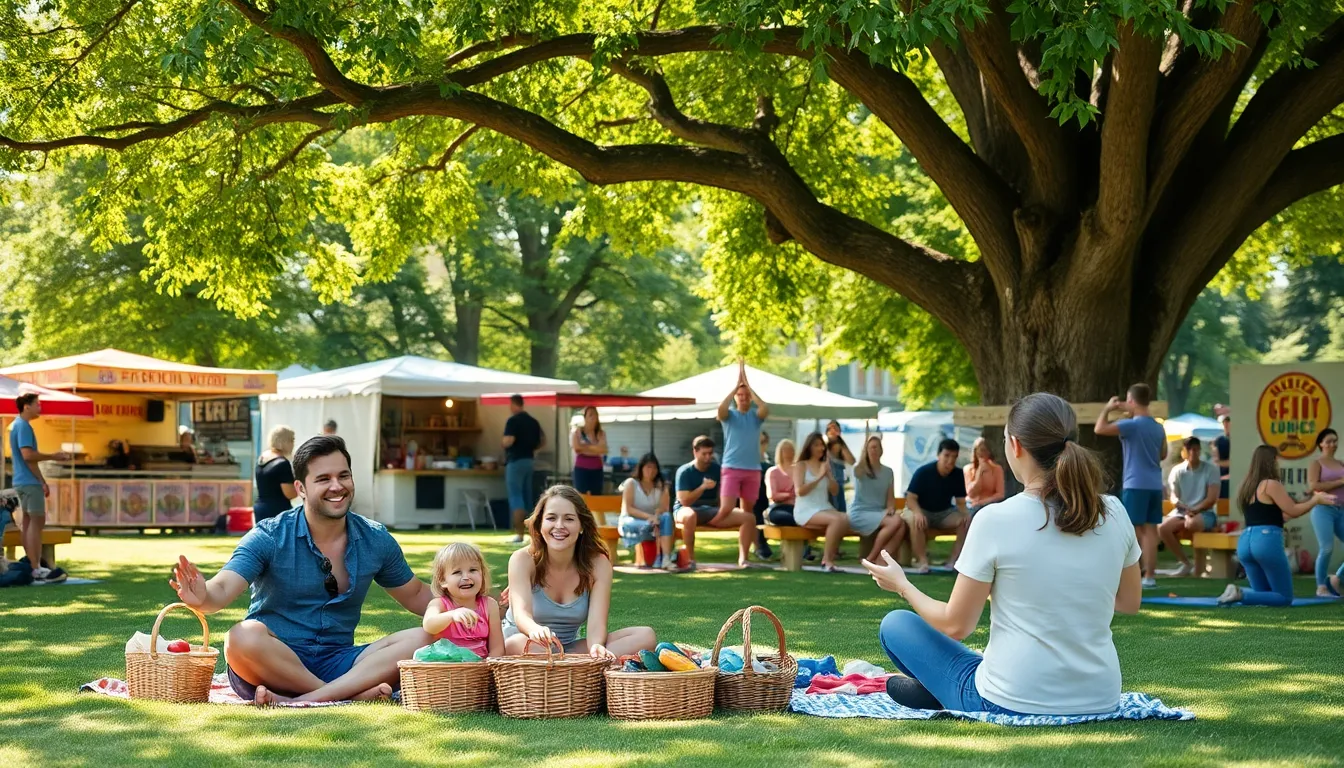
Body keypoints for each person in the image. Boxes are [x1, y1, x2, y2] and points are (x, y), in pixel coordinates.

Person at [862, 392, 1142, 716]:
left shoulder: (995, 520)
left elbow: (956, 625)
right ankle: (938, 688)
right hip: (1099, 697)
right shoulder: (1115, 512)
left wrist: (903, 585)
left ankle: (939, 690)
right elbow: (1128, 602)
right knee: (966, 658)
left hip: (1008, 698)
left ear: (1016, 445)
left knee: (896, 624)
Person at [168, 435, 435, 705]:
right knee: (241, 636)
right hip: (271, 664)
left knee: (427, 636)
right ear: (300, 488)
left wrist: (473, 606)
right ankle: (344, 694)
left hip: (340, 660)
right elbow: (223, 588)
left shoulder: (375, 539)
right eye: (323, 479)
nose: (337, 486)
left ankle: (306, 697)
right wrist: (202, 596)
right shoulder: (269, 536)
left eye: (344, 476)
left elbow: (415, 594)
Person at [502, 485, 656, 657]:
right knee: (517, 644)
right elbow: (522, 616)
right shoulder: (522, 559)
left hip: (568, 648)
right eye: (551, 518)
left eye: (569, 519)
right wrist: (535, 630)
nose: (559, 526)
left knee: (645, 635)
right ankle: (582, 667)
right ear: (540, 524)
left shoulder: (598, 564)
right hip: (527, 643)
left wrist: (596, 646)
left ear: (581, 525)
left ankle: (578, 664)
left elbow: (597, 624)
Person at [1217, 445, 1337, 606]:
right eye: (1276, 460)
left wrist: (1308, 500)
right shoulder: (1271, 484)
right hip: (1266, 541)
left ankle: (1236, 592)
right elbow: (1293, 511)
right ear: (1271, 461)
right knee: (1284, 598)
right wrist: (1315, 500)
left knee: (1264, 595)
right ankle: (1241, 594)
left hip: (1245, 542)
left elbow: (1278, 515)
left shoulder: (1246, 486)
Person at [1095, 383, 1168, 589]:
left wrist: (1108, 409)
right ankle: (1149, 576)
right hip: (1155, 484)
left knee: (1132, 529)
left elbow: (1099, 428)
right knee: (1151, 530)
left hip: (1135, 483)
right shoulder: (1158, 426)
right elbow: (1162, 454)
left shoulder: (1131, 425)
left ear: (1132, 400)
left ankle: (1133, 573)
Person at [8, 393, 71, 583]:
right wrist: (54, 456)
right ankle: (36, 567)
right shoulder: (24, 426)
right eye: (37, 404)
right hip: (28, 482)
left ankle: (34, 566)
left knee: (27, 524)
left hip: (22, 480)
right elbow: (28, 456)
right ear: (26, 406)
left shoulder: (15, 425)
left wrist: (41, 480)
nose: (40, 407)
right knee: (36, 523)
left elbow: (28, 459)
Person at [672, 436, 757, 570]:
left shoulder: (717, 469)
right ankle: (690, 560)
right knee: (690, 516)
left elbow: (723, 495)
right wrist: (702, 487)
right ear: (695, 452)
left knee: (749, 518)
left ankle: (744, 560)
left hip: (711, 510)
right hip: (685, 509)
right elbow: (685, 501)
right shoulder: (684, 472)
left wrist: (723, 510)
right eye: (704, 454)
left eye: (710, 453)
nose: (707, 458)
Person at [716, 360, 771, 564]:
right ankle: (709, 522)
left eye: (746, 396)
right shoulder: (729, 416)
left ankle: (743, 556)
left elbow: (764, 407)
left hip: (752, 470)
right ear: (736, 398)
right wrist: (735, 387)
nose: (744, 398)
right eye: (741, 396)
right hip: (731, 468)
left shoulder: (755, 418)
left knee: (748, 515)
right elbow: (720, 409)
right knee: (727, 508)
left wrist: (748, 386)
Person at [422, 542, 504, 659]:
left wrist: (490, 664)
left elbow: (497, 646)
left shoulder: (490, 605)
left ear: (482, 574)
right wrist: (451, 615)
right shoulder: (439, 604)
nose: (466, 577)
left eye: (473, 570)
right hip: (448, 665)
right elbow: (429, 625)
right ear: (442, 580)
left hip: (480, 667)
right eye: (457, 572)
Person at [1157, 437, 1221, 577]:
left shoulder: (1211, 470)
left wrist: (1196, 509)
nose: (1193, 452)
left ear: (1200, 450)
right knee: (1162, 528)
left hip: (1205, 513)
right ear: (1184, 452)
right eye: (1189, 449)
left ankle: (1200, 567)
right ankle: (1186, 563)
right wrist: (1180, 505)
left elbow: (1211, 498)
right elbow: (1173, 495)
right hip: (1182, 512)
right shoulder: (1177, 471)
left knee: (1193, 523)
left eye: (1196, 449)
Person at [903, 439, 970, 574]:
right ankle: (922, 562)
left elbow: (961, 502)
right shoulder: (924, 472)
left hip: (944, 513)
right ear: (938, 455)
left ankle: (953, 561)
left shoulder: (958, 474)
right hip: (922, 510)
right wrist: (917, 512)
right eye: (946, 456)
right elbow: (910, 498)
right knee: (917, 520)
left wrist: (966, 515)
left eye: (954, 457)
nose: (950, 461)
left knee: (966, 521)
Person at [793, 432, 853, 573]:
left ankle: (830, 559)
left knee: (844, 518)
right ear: (809, 447)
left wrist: (829, 476)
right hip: (806, 510)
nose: (821, 448)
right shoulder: (801, 465)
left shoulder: (825, 465)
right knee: (837, 520)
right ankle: (827, 561)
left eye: (822, 445)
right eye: (817, 445)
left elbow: (834, 491)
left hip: (823, 507)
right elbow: (800, 491)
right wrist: (819, 477)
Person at [849, 435, 908, 562]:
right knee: (896, 521)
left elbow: (890, 497)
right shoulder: (860, 470)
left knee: (901, 524)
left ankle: (882, 558)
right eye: (871, 448)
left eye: (877, 447)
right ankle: (871, 557)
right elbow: (854, 465)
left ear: (882, 450)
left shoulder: (888, 472)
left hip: (879, 513)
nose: (874, 450)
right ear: (866, 450)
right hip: (861, 513)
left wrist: (891, 508)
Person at [618, 453, 675, 571]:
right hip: (632, 520)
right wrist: (649, 517)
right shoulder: (631, 483)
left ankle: (666, 558)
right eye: (648, 467)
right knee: (647, 526)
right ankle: (653, 558)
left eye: (654, 467)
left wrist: (656, 515)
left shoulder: (661, 485)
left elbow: (664, 508)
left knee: (667, 517)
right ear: (641, 468)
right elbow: (629, 509)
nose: (651, 470)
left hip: (655, 521)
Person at [502, 394, 544, 544]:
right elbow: (542, 441)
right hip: (529, 460)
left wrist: (503, 443)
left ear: (513, 404)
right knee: (528, 497)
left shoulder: (513, 421)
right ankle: (534, 535)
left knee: (516, 497)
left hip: (515, 461)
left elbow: (508, 440)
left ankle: (519, 535)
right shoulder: (533, 422)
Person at [1307, 429, 1344, 597]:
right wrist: (1340, 481)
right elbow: (1315, 486)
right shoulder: (1317, 463)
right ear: (1320, 444)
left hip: (1341, 510)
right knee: (1327, 548)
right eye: (1328, 441)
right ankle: (1321, 586)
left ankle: (1337, 579)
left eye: (1335, 441)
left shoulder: (1341, 464)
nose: (1332, 444)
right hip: (1323, 510)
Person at [254, 426, 299, 523]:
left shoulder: (262, 458)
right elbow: (290, 494)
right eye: (292, 440)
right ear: (285, 441)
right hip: (277, 511)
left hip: (260, 507)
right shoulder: (282, 463)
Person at [570, 406, 607, 495]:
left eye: (595, 415)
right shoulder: (578, 432)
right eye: (590, 415)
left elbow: (602, 449)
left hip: (597, 469)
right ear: (585, 417)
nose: (593, 417)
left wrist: (585, 447)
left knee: (596, 494)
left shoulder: (600, 433)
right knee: (581, 495)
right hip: (581, 468)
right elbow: (577, 448)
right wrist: (595, 447)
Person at [963, 438, 1005, 516]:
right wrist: (979, 472)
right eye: (980, 450)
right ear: (975, 452)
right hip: (971, 504)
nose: (982, 453)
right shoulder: (968, 469)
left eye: (985, 450)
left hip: (988, 504)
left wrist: (981, 502)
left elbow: (1000, 494)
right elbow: (971, 494)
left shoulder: (997, 469)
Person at [752, 430, 774, 560]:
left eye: (763, 442)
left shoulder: (769, 460)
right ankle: (760, 544)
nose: (760, 445)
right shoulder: (744, 460)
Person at [825, 420, 855, 512]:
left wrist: (841, 444)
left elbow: (852, 461)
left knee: (840, 512)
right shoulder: (823, 445)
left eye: (835, 428)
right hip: (825, 485)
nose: (833, 430)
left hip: (838, 484)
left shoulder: (841, 445)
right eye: (830, 428)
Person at [1212, 415, 1232, 499]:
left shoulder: (1238, 440)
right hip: (1222, 477)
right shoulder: (1219, 440)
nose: (1226, 425)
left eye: (1228, 423)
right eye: (1225, 423)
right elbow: (1215, 460)